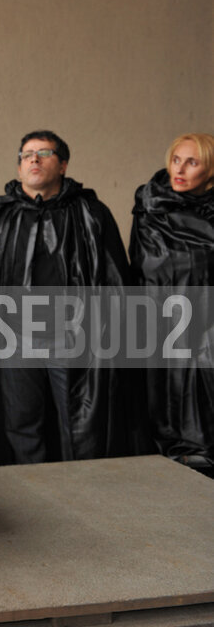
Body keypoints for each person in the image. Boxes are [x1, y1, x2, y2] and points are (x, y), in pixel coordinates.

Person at [0, 130, 131, 465]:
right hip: (14, 338)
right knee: (21, 425)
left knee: (79, 425)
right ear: (19, 167)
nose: (33, 159)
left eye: (44, 152)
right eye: (26, 155)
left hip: (74, 337)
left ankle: (80, 500)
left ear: (63, 165)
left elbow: (115, 280)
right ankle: (35, 500)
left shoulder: (91, 214)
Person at [129, 133, 214, 473]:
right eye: (176, 159)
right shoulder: (150, 203)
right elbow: (143, 262)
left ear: (209, 171)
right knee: (157, 395)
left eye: (192, 162)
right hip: (157, 315)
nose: (180, 169)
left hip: (205, 320)